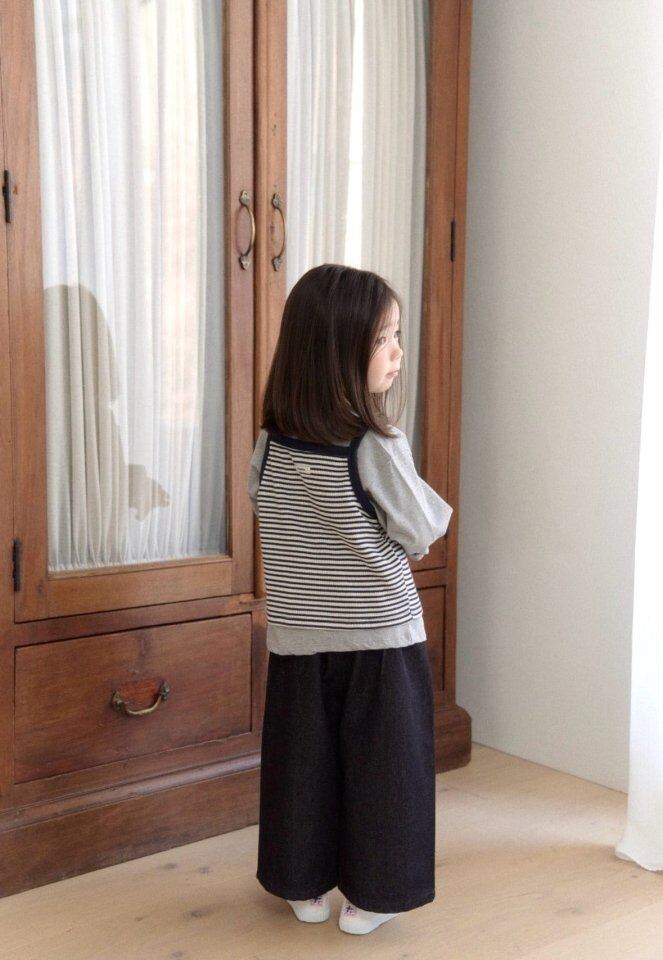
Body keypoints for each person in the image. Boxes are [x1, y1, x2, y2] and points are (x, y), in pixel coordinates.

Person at [247, 263, 453, 936]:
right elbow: (420, 528)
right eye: (384, 339)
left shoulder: (270, 443)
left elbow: (262, 505)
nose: (398, 353)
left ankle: (301, 883)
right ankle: (376, 892)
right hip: (380, 638)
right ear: (339, 352)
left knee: (300, 767)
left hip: (298, 639)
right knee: (387, 771)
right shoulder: (375, 445)